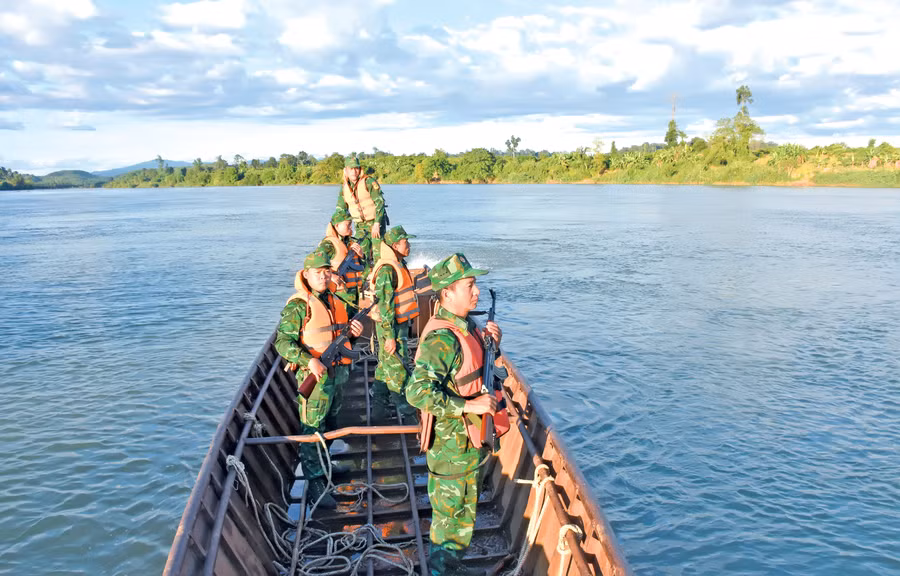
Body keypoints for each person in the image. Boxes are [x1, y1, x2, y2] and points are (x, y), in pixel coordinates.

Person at [405, 253, 506, 576]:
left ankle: (449, 568)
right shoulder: (442, 338)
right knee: (449, 524)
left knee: (460, 518)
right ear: (447, 293)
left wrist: (495, 346)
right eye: (469, 285)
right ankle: (441, 571)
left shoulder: (466, 326)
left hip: (467, 444)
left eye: (475, 284)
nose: (476, 292)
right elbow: (417, 392)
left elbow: (473, 370)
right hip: (451, 448)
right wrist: (469, 406)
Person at [275, 249, 363, 509]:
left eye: (327, 271)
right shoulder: (299, 305)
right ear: (306, 275)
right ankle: (315, 483)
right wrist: (307, 360)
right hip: (315, 379)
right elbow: (283, 341)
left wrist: (355, 334)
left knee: (332, 423)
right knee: (312, 431)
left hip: (337, 376)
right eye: (318, 273)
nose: (324, 276)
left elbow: (342, 338)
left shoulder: (334, 300)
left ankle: (326, 467)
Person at [367, 225, 420, 423]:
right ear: (395, 245)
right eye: (406, 242)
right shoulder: (388, 270)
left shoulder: (398, 264)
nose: (410, 245)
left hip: (398, 329)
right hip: (392, 330)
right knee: (399, 375)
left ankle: (377, 417)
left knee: (383, 371)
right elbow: (385, 306)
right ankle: (411, 425)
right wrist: (390, 337)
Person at [336, 155, 387, 278]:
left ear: (360, 169)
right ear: (346, 171)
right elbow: (340, 210)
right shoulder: (344, 188)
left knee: (377, 253)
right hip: (360, 226)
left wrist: (377, 223)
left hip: (375, 222)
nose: (354, 171)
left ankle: (379, 280)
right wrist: (338, 228)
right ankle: (365, 280)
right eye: (351, 169)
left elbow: (380, 203)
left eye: (356, 168)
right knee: (360, 253)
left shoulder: (369, 182)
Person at [318, 209, 365, 309]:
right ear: (337, 226)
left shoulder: (352, 243)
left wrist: (362, 256)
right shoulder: (328, 244)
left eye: (351, 224)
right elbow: (316, 265)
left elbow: (362, 267)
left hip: (353, 292)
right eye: (348, 224)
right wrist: (331, 276)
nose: (350, 227)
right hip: (339, 293)